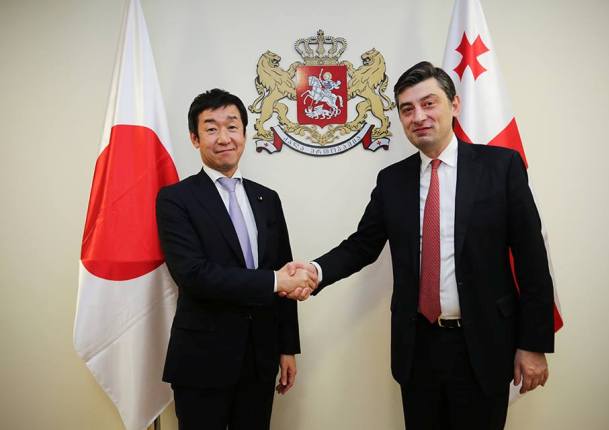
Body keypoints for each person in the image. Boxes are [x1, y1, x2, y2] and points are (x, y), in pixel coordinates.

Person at [288, 61, 554, 429]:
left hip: (484, 344)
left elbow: (531, 259)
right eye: (407, 109)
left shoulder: (501, 167)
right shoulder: (393, 180)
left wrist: (533, 343)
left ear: (454, 104)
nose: (419, 116)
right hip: (418, 348)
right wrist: (315, 271)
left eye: (429, 103)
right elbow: (362, 245)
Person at [156, 88, 316, 430]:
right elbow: (193, 274)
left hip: (260, 357)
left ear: (244, 133)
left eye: (232, 126)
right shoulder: (175, 199)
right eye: (211, 129)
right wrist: (274, 280)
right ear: (195, 138)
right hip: (202, 360)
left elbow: (284, 269)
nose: (224, 138)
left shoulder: (266, 198)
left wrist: (287, 348)